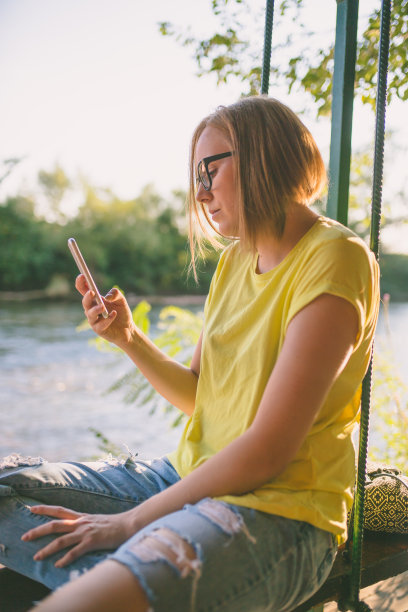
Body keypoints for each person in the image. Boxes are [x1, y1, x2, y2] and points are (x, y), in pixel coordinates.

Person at [0, 96, 379, 612]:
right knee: (4, 488)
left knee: (91, 595)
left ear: (263, 154)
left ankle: (120, 580)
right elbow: (201, 396)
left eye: (210, 170)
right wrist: (128, 339)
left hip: (281, 514)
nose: (200, 193)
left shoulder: (336, 258)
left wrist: (129, 522)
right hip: (185, 478)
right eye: (194, 176)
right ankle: (127, 578)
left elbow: (269, 450)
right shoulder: (234, 263)